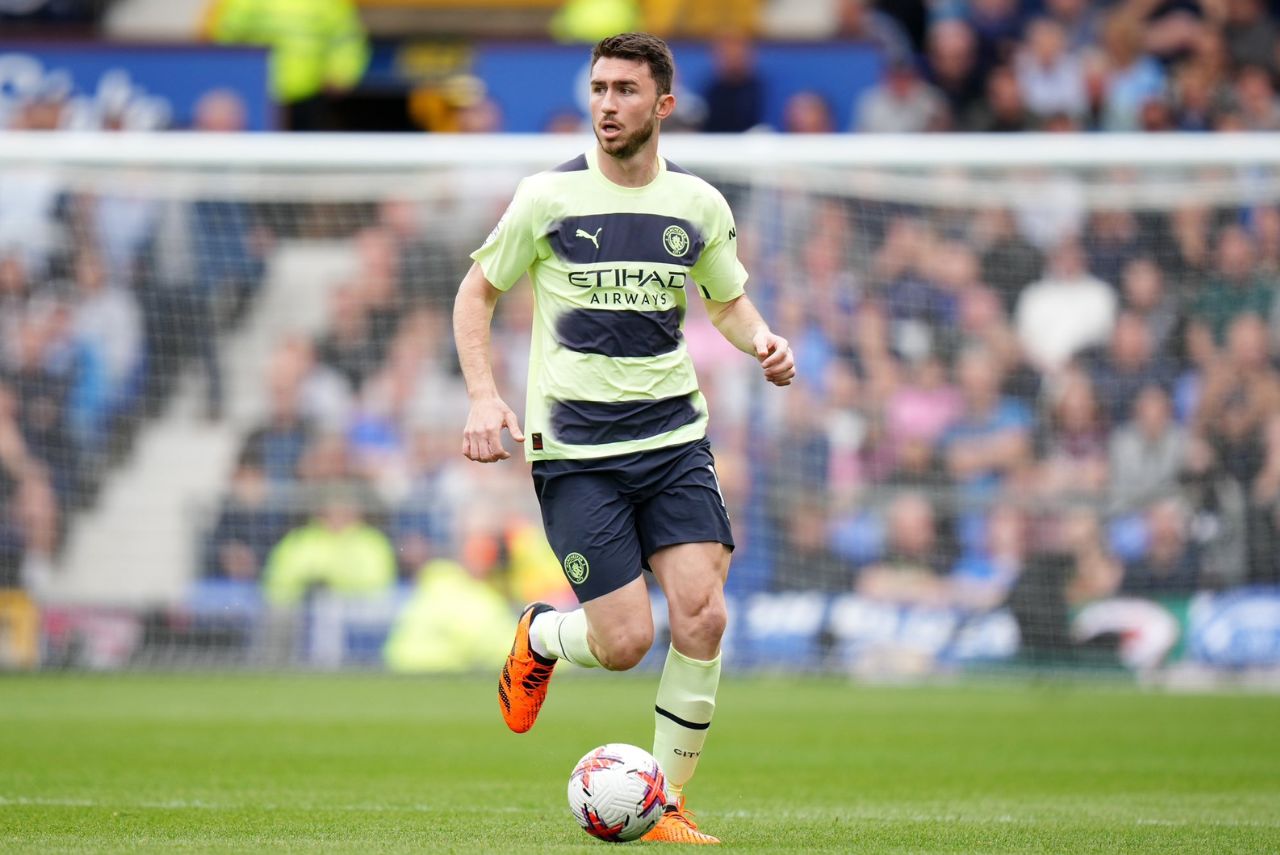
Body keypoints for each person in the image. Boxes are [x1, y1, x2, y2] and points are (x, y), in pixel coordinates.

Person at [452, 33, 795, 845]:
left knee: (703, 616)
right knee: (625, 643)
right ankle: (541, 634)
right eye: (599, 88)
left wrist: (765, 340)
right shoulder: (546, 197)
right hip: (575, 453)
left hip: (675, 438)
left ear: (663, 106)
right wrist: (481, 396)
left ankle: (666, 801)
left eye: (625, 91)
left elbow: (728, 301)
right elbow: (476, 294)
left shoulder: (700, 204)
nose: (607, 104)